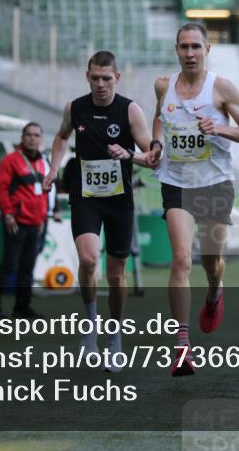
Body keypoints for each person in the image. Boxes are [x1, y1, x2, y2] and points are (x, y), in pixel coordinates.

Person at [151, 23, 239, 376]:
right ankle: (182, 346)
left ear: (207, 49)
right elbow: (159, 118)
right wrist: (155, 144)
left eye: (196, 46)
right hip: (177, 183)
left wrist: (220, 128)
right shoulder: (163, 86)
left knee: (211, 262)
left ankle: (215, 291)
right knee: (181, 259)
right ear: (176, 50)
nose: (190, 53)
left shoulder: (222, 88)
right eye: (184, 47)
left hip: (214, 183)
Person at [43, 50, 157, 372]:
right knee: (89, 259)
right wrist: (53, 169)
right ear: (87, 76)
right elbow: (61, 137)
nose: (101, 84)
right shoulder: (75, 108)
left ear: (117, 78)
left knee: (116, 274)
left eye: (107, 78)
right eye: (95, 78)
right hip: (86, 195)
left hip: (119, 198)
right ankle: (90, 327)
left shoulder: (130, 110)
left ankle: (114, 338)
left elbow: (151, 154)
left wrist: (128, 153)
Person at [0, 122, 50, 320]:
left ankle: (22, 307)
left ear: (40, 139)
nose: (32, 138)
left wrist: (42, 219)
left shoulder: (40, 162)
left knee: (27, 268)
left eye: (36, 135)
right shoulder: (10, 161)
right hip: (16, 222)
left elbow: (42, 195)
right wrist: (8, 214)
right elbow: (1, 189)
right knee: (9, 265)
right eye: (28, 135)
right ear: (22, 138)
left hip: (34, 224)